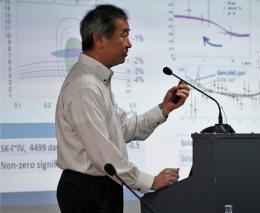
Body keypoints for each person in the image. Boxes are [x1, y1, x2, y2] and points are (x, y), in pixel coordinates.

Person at [55, 4, 190, 213]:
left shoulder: (96, 80)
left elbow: (123, 129)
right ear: (99, 39)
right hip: (88, 192)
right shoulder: (85, 86)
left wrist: (164, 108)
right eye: (124, 35)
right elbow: (103, 153)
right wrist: (150, 181)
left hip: (101, 188)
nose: (129, 44)